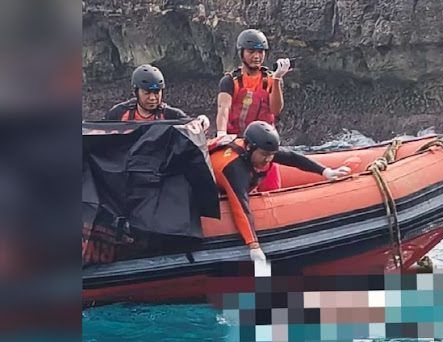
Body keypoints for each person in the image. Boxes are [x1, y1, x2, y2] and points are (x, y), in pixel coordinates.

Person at [210, 121, 350, 262]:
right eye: (265, 155)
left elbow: (293, 158)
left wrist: (326, 171)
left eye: (272, 155)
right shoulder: (234, 168)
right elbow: (240, 207)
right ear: (248, 147)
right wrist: (253, 245)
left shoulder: (261, 150)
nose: (269, 159)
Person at [215, 29, 292, 192]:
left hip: (264, 144)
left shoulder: (271, 79)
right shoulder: (230, 81)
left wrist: (278, 79)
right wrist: (221, 133)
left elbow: (275, 109)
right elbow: (223, 107)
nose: (256, 56)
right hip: (237, 143)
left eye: (260, 52)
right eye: (251, 52)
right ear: (241, 53)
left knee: (272, 187)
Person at [105, 64, 210, 129]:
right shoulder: (118, 113)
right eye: (147, 93)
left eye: (156, 92)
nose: (152, 98)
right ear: (136, 92)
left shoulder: (171, 115)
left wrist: (202, 120)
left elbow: (193, 127)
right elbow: (97, 132)